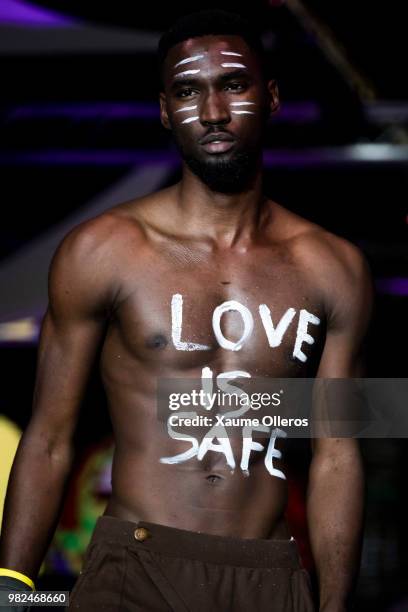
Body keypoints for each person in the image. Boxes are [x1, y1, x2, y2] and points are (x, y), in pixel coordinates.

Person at [0, 9, 373, 612]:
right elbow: (48, 435)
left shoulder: (336, 269)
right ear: (166, 109)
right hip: (134, 564)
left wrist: (334, 607)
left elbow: (338, 453)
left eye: (232, 85)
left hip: (268, 573)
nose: (214, 111)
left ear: (271, 96)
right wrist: (11, 587)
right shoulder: (105, 250)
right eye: (187, 91)